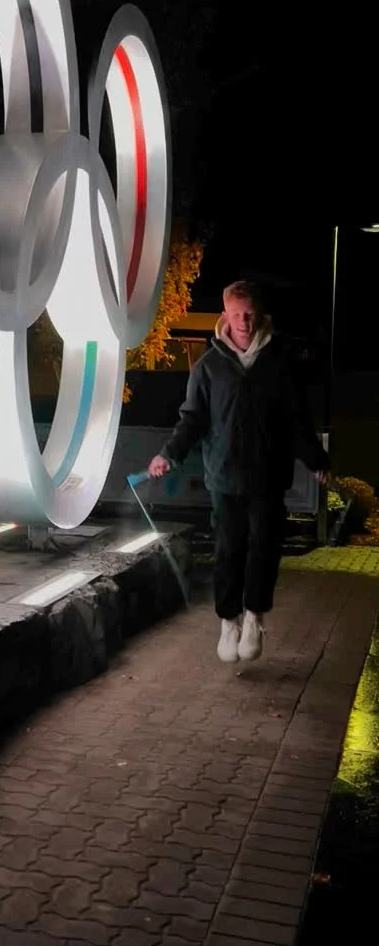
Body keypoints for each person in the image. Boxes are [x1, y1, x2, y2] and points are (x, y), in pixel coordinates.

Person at [148, 280, 329, 664]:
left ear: (259, 314)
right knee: (229, 550)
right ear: (225, 316)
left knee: (264, 548)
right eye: (236, 315)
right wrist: (169, 454)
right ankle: (228, 620)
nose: (243, 322)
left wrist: (315, 460)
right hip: (224, 477)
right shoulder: (209, 367)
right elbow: (192, 419)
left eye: (248, 314)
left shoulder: (280, 363)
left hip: (268, 476)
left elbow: (297, 420)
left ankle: (254, 617)